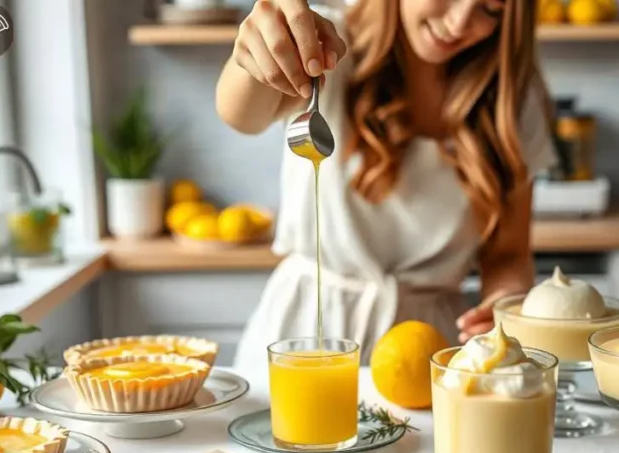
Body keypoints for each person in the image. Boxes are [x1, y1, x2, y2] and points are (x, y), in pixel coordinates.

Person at [217, 0, 556, 368]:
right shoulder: (325, 42)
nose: (460, 23)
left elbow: (508, 256)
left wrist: (504, 303)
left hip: (427, 353)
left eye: (490, 9)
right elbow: (241, 116)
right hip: (299, 338)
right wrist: (254, 51)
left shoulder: (513, 98)